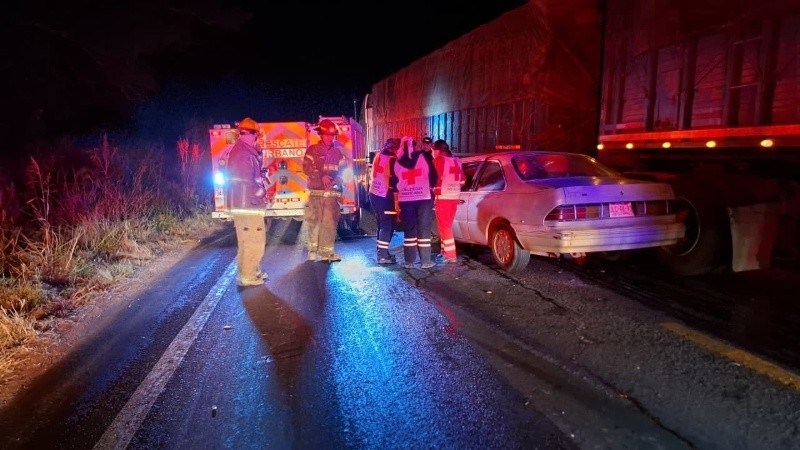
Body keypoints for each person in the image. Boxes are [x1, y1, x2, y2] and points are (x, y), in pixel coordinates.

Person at [225, 117, 268, 286]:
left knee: (246, 241)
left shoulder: (242, 151)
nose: (256, 139)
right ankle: (249, 276)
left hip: (242, 204)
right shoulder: (244, 153)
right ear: (252, 135)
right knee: (254, 241)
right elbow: (247, 181)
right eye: (256, 136)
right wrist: (262, 193)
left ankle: (251, 271)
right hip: (248, 204)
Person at [302, 118, 347, 262]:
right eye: (327, 135)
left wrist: (337, 178)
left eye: (332, 136)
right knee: (314, 222)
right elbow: (306, 168)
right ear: (321, 135)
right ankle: (312, 251)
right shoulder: (312, 150)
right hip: (316, 194)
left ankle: (326, 253)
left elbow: (343, 170)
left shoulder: (337, 153)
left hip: (331, 197)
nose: (329, 138)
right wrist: (321, 176)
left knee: (329, 224)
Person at [394, 136, 438, 269]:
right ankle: (425, 261)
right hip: (424, 198)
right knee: (424, 229)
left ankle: (409, 261)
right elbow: (433, 177)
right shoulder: (424, 157)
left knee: (410, 230)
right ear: (415, 145)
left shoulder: (397, 162)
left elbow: (394, 183)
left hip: (406, 200)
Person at [432, 139, 465, 263]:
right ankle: (444, 251)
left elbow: (435, 179)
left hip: (443, 197)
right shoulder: (457, 161)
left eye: (433, 150)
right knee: (446, 226)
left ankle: (450, 255)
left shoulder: (439, 160)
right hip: (454, 197)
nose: (433, 153)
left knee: (444, 227)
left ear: (438, 150)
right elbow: (462, 181)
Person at [369, 138, 400, 264]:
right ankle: (382, 256)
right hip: (385, 196)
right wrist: (397, 203)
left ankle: (382, 251)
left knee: (382, 225)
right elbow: (394, 182)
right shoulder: (392, 160)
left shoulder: (379, 156)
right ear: (395, 148)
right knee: (387, 226)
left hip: (374, 194)